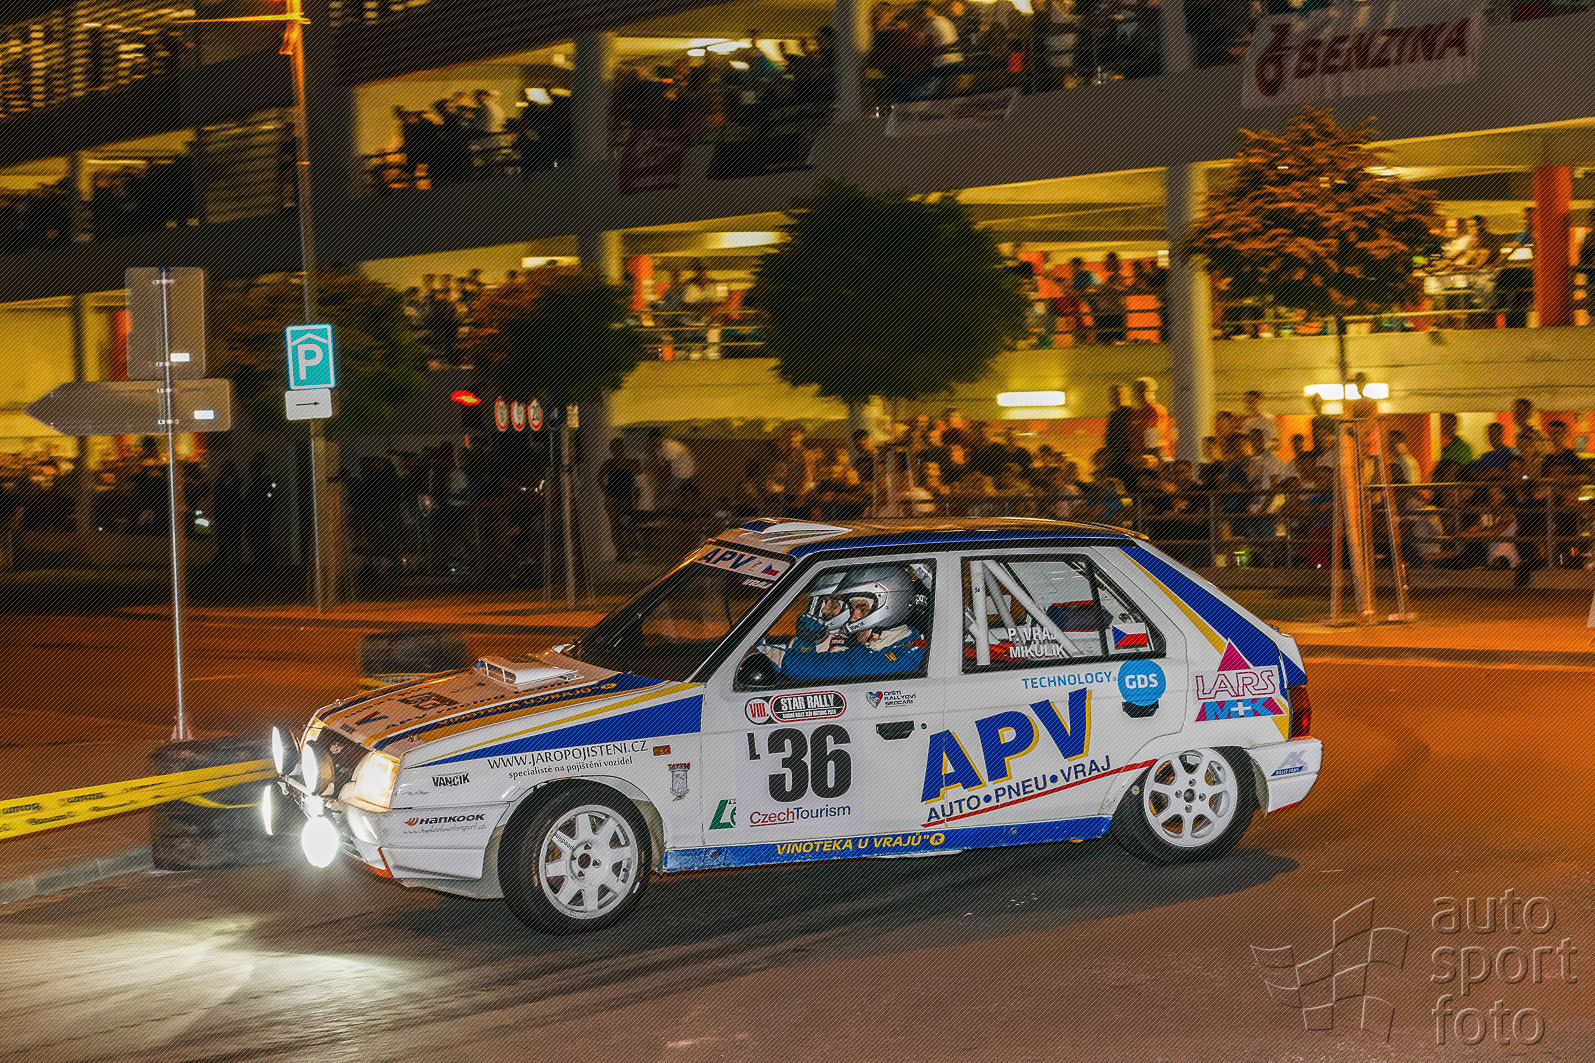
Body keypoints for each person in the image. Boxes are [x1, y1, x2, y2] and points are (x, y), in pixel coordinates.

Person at [775, 565, 930, 680]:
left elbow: (822, 668)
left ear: (889, 606)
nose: (852, 617)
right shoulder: (879, 647)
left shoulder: (905, 656)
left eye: (862, 608)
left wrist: (775, 656)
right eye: (852, 608)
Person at [600, 438, 641, 560]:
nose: (616, 450)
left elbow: (638, 471)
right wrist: (606, 491)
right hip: (612, 497)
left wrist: (623, 462)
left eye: (618, 447)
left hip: (626, 496)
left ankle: (633, 550)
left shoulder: (631, 461)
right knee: (614, 525)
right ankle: (620, 552)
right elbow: (599, 478)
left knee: (628, 523)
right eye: (613, 447)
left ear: (623, 447)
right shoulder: (609, 463)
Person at [244, 452, 277, 571]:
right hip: (258, 515)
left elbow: (258, 500)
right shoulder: (261, 483)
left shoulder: (261, 483)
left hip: (259, 515)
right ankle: (264, 562)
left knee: (258, 538)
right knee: (258, 538)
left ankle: (264, 563)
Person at [1129, 376, 1173, 460]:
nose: (1142, 394)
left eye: (1145, 391)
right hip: (1141, 454)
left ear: (1152, 392)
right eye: (1139, 391)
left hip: (1155, 453)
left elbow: (1152, 436)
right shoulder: (1136, 412)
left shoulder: (1155, 409)